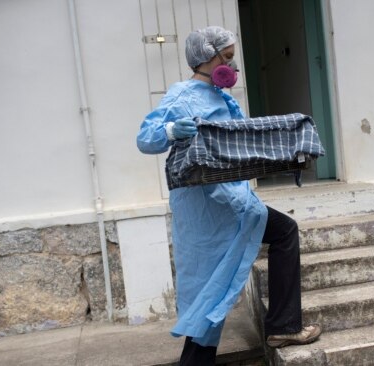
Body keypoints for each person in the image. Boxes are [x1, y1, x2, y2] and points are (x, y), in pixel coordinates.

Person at [136, 26, 321, 366]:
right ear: (207, 58)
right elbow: (146, 139)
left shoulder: (224, 99)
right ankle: (282, 325)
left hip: (234, 202)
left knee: (225, 280)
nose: (233, 69)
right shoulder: (182, 96)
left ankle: (281, 325)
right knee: (213, 288)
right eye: (229, 59)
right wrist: (170, 130)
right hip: (208, 208)